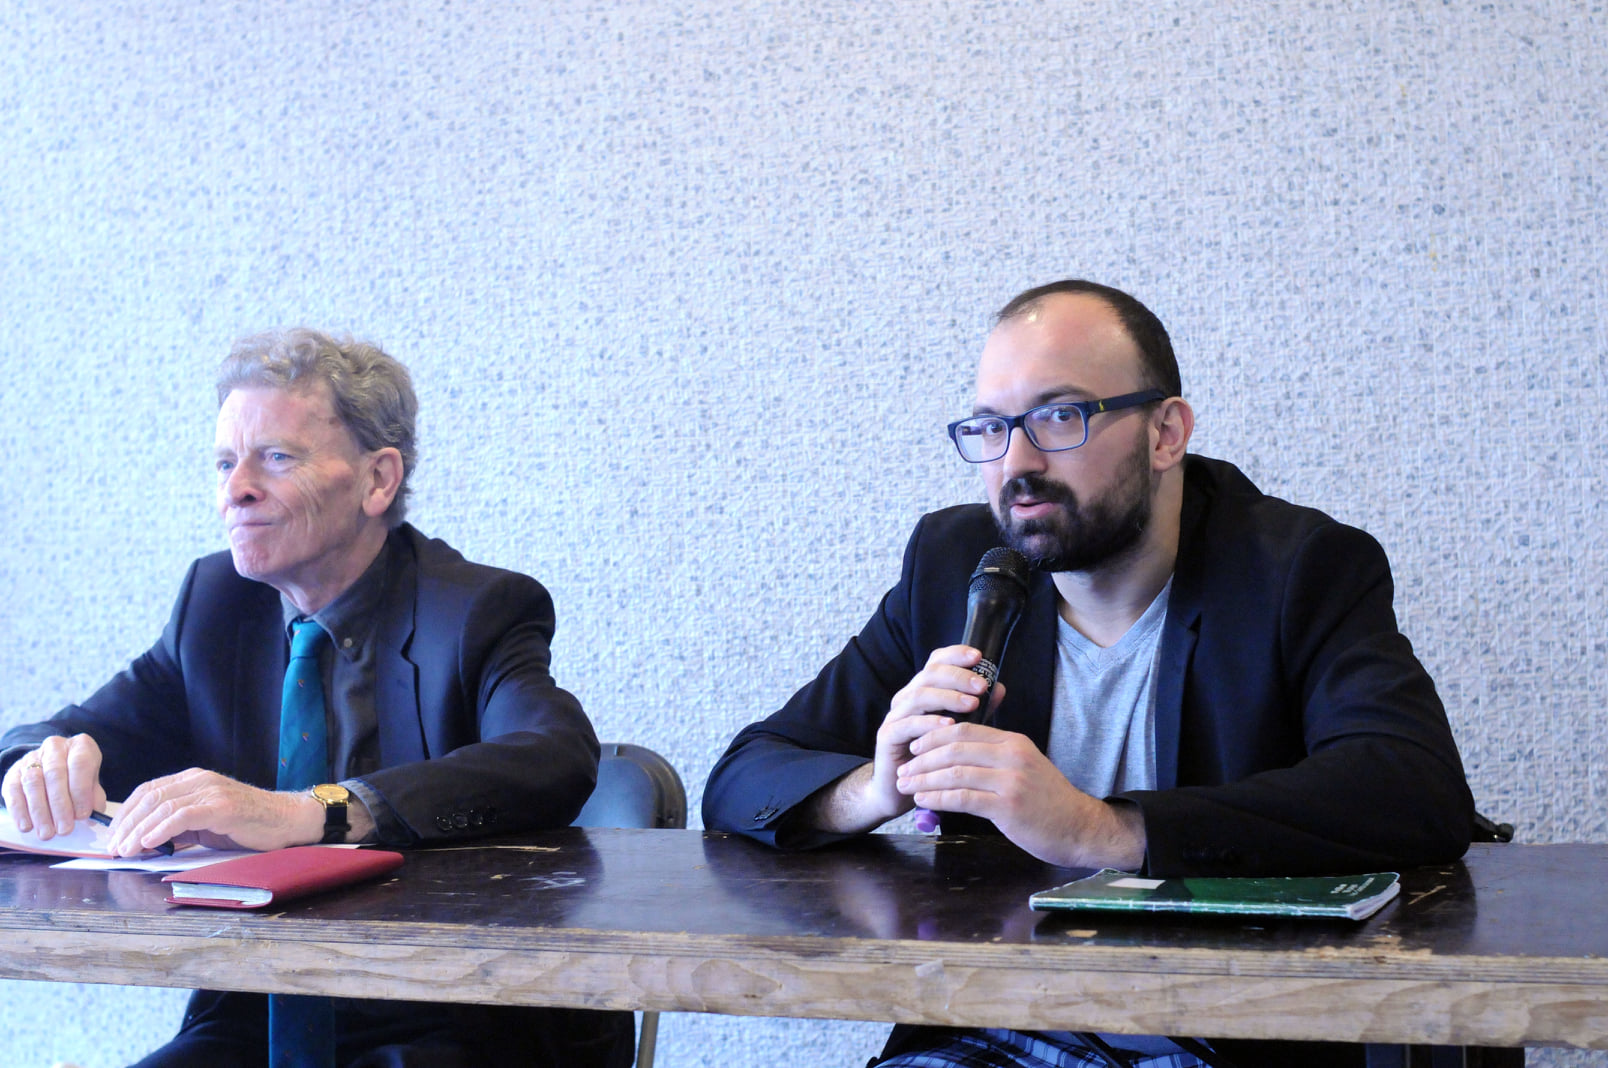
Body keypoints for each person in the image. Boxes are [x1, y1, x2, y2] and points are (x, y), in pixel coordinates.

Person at [702, 280, 1475, 1068]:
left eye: (1058, 417)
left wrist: (1098, 829)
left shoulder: (1296, 569)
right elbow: (746, 776)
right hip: (991, 1027)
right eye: (991, 427)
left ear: (1166, 433)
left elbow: (1415, 790)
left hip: (1220, 1036)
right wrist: (876, 788)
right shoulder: (953, 563)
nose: (1018, 462)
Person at [0, 329, 633, 1067]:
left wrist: (311, 813)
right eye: (225, 462)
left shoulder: (473, 611)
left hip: (453, 1013)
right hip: (257, 1010)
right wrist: (36, 763)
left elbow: (553, 755)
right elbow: (75, 731)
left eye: (276, 457)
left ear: (377, 480)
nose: (237, 489)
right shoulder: (217, 606)